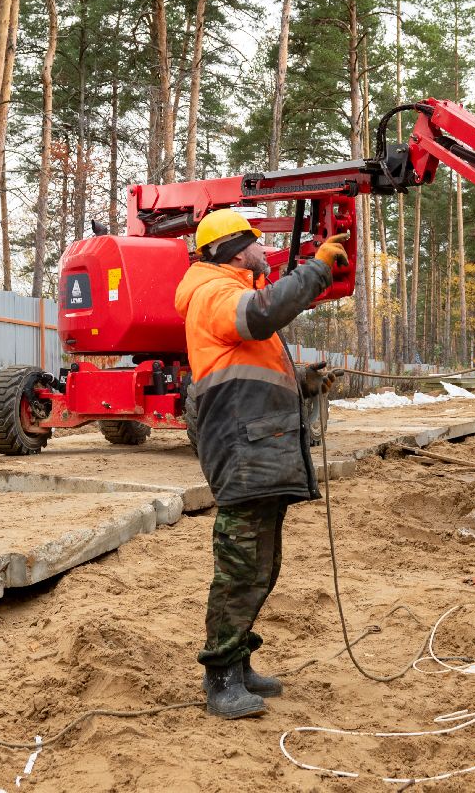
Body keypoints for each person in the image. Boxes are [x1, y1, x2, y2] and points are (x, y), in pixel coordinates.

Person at [173, 209, 348, 719]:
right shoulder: (213, 292)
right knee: (240, 565)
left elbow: (250, 373)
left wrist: (304, 384)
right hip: (243, 448)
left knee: (261, 564)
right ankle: (220, 677)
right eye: (254, 242)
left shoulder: (227, 289)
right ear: (233, 249)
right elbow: (261, 313)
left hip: (260, 446)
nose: (262, 250)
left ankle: (239, 661)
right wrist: (315, 269)